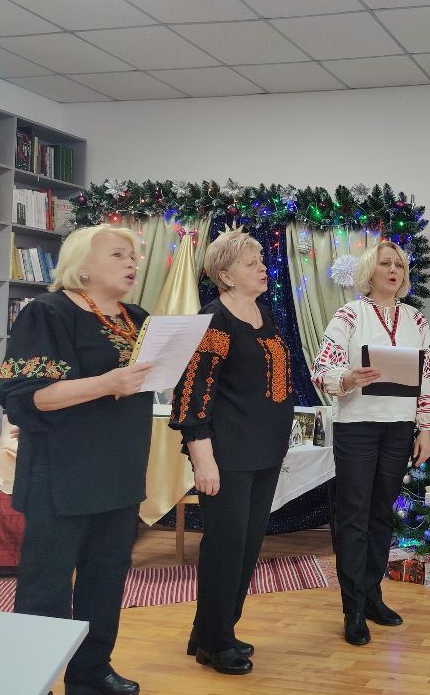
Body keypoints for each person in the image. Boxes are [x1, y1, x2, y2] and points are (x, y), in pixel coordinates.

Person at [0, 224, 153, 695]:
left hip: (120, 469)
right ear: (82, 266)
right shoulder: (48, 312)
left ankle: (91, 672)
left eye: (133, 256)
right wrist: (107, 383)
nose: (131, 263)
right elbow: (26, 396)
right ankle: (33, 681)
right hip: (60, 473)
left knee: (106, 580)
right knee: (46, 588)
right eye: (118, 254)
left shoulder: (137, 317)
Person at [170, 228, 294, 676]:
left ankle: (211, 630)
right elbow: (192, 394)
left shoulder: (265, 314)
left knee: (246, 548)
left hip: (265, 451)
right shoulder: (215, 320)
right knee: (225, 548)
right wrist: (203, 458)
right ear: (225, 274)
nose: (262, 267)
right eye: (250, 262)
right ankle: (215, 642)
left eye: (261, 259)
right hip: (228, 455)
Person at [311, 242, 430, 646]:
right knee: (354, 516)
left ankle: (372, 596)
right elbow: (322, 368)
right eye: (385, 263)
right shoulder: (349, 315)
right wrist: (348, 378)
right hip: (357, 427)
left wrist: (425, 429)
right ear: (370, 271)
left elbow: (428, 378)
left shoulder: (417, 320)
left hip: (399, 429)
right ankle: (352, 609)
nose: (393, 269)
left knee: (382, 514)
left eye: (399, 264)